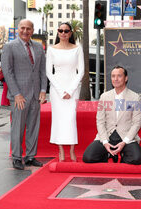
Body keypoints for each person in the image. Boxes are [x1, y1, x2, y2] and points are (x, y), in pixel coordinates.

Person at [1, 19, 47, 170]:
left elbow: (42, 71)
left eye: (28, 28)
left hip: (35, 95)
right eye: (22, 28)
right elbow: (8, 72)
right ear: (18, 29)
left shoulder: (39, 47)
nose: (25, 31)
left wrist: (42, 90)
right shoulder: (9, 47)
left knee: (33, 127)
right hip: (19, 96)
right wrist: (16, 94)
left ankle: (30, 157)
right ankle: (16, 157)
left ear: (32, 30)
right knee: (17, 128)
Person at [83, 66, 141, 165]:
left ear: (126, 78)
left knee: (137, 158)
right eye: (113, 76)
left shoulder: (135, 97)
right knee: (88, 157)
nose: (115, 79)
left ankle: (123, 156)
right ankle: (108, 154)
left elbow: (136, 123)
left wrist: (124, 142)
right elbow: (100, 121)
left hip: (126, 136)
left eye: (119, 76)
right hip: (108, 135)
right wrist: (105, 142)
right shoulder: (104, 97)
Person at [46, 22, 84, 162]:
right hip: (57, 90)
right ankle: (61, 150)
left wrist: (70, 90)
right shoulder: (51, 49)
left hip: (73, 89)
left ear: (70, 33)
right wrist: (62, 91)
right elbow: (49, 72)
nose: (63, 33)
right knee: (58, 119)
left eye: (66, 31)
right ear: (57, 32)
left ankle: (72, 150)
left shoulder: (77, 48)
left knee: (70, 119)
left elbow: (80, 72)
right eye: (60, 30)